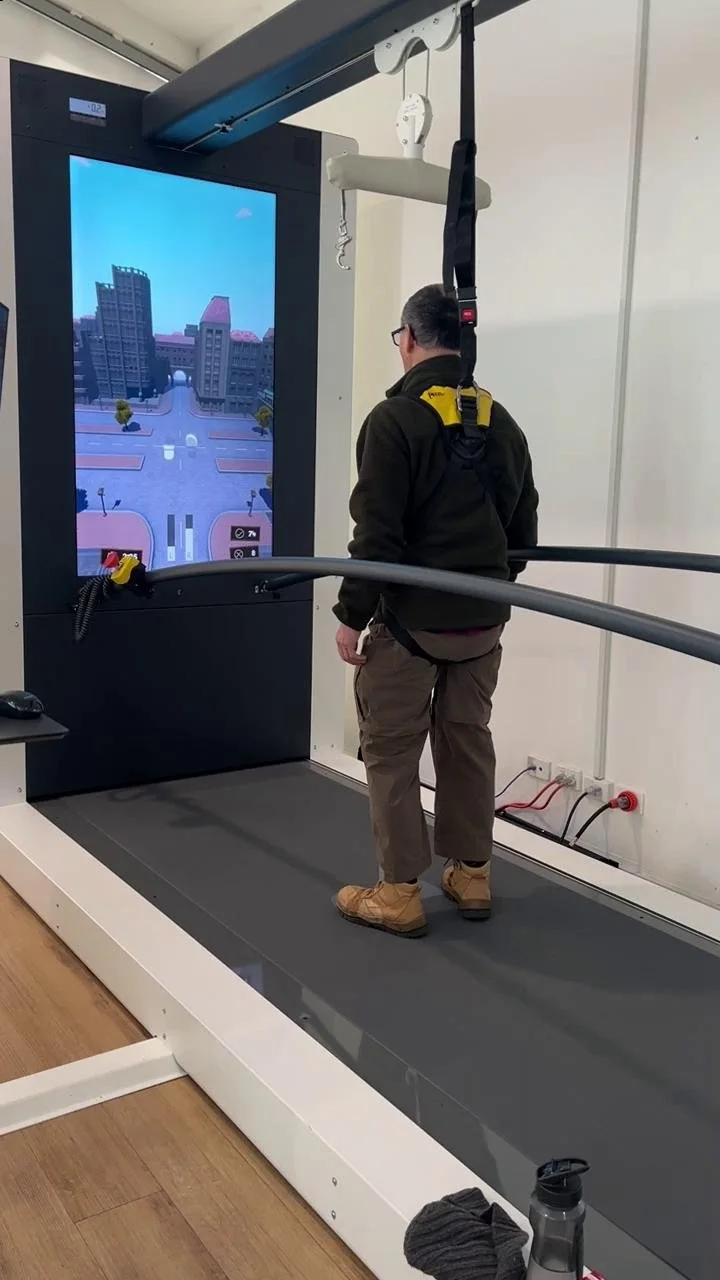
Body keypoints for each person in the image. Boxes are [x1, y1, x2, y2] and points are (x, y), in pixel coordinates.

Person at [333, 284, 539, 938]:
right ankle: (472, 875)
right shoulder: (501, 421)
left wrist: (350, 613)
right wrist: (488, 586)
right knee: (467, 741)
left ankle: (399, 894)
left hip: (410, 626)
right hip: (483, 626)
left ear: (410, 339)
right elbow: (523, 532)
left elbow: (377, 536)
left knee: (392, 750)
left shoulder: (394, 420)